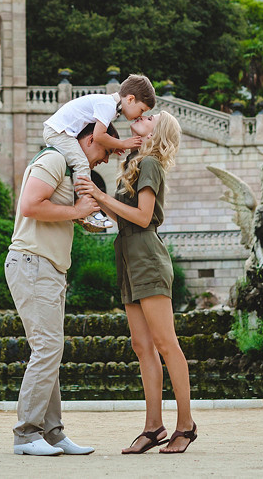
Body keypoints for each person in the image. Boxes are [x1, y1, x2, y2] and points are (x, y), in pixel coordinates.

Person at [76, 111, 197, 455]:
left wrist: (100, 197)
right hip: (128, 254)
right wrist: (94, 204)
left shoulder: (151, 164)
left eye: (150, 117)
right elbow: (122, 215)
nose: (141, 116)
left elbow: (143, 217)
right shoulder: (133, 162)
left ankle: (185, 426)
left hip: (146, 255)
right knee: (141, 346)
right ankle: (153, 426)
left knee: (165, 343)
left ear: (156, 132)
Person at [4, 121, 119, 456]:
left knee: (50, 350)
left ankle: (52, 433)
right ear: (87, 140)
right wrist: (76, 210)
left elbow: (49, 211)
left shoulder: (67, 170)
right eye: (106, 150)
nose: (107, 159)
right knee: (47, 348)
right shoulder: (54, 159)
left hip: (47, 267)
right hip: (32, 263)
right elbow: (29, 205)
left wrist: (80, 216)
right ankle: (26, 434)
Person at [43, 73, 155, 231]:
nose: (140, 115)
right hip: (58, 132)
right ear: (130, 99)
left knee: (75, 166)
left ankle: (76, 203)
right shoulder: (108, 105)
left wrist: (115, 146)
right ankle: (86, 210)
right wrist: (122, 143)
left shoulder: (109, 105)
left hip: (59, 131)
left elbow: (100, 137)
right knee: (81, 163)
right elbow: (98, 136)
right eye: (141, 109)